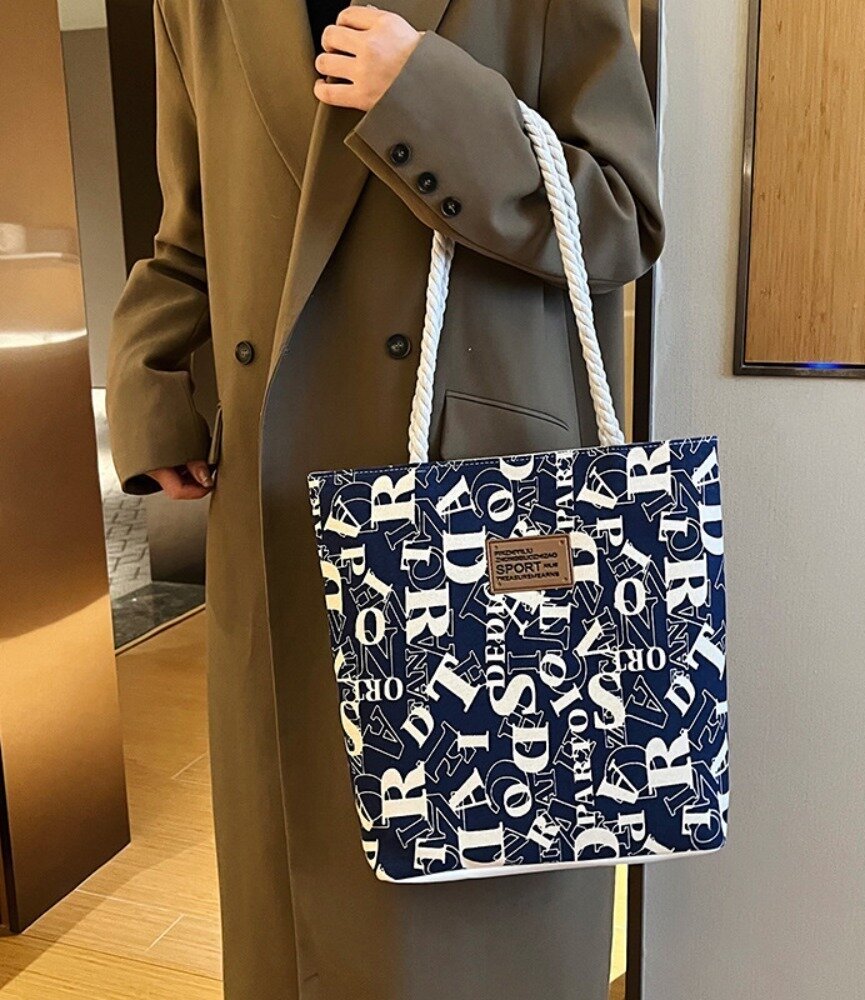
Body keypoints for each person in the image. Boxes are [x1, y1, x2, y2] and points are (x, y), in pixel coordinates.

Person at [105, 1, 665, 998]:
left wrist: (428, 98)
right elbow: (193, 235)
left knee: (475, 907)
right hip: (280, 512)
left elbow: (621, 218)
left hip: (478, 519)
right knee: (299, 909)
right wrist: (154, 389)